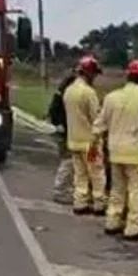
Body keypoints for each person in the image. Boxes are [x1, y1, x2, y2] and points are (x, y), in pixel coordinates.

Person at [90, 59, 138, 241]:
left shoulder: (111, 97)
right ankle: (133, 229)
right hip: (136, 155)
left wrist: (93, 145)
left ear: (128, 76)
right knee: (136, 192)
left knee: (117, 189)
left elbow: (99, 124)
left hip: (115, 153)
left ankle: (112, 222)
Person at [63, 56, 107, 215]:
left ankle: (80, 202)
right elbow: (97, 118)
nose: (95, 77)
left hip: (74, 140)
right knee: (97, 175)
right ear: (89, 73)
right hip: (90, 143)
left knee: (80, 175)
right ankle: (99, 204)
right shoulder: (88, 93)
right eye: (94, 73)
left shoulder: (69, 91)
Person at [46, 67, 78, 204]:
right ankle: (60, 191)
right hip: (65, 131)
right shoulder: (67, 92)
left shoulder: (62, 91)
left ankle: (65, 189)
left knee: (69, 161)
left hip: (63, 130)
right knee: (68, 161)